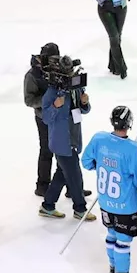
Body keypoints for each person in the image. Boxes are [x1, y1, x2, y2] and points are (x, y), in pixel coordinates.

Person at [81, 106, 137, 273]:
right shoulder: (134, 149)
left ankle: (113, 267)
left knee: (111, 234)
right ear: (129, 123)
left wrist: (103, 166)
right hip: (126, 206)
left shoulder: (99, 139)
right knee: (123, 241)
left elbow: (86, 161)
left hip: (105, 202)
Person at [38, 54, 96, 221]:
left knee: (62, 174)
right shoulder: (51, 93)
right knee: (75, 176)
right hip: (61, 143)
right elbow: (46, 118)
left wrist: (85, 103)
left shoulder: (76, 88)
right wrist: (56, 106)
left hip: (74, 139)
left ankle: (47, 205)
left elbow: (84, 110)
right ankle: (80, 209)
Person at [25, 43, 63, 198]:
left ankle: (70, 184)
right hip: (44, 118)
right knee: (46, 151)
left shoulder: (59, 67)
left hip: (61, 116)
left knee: (65, 151)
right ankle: (42, 186)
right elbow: (29, 100)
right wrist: (49, 102)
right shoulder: (32, 75)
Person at [94, 0, 133, 78]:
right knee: (114, 37)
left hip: (120, 7)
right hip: (105, 7)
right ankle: (122, 68)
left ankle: (113, 66)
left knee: (117, 37)